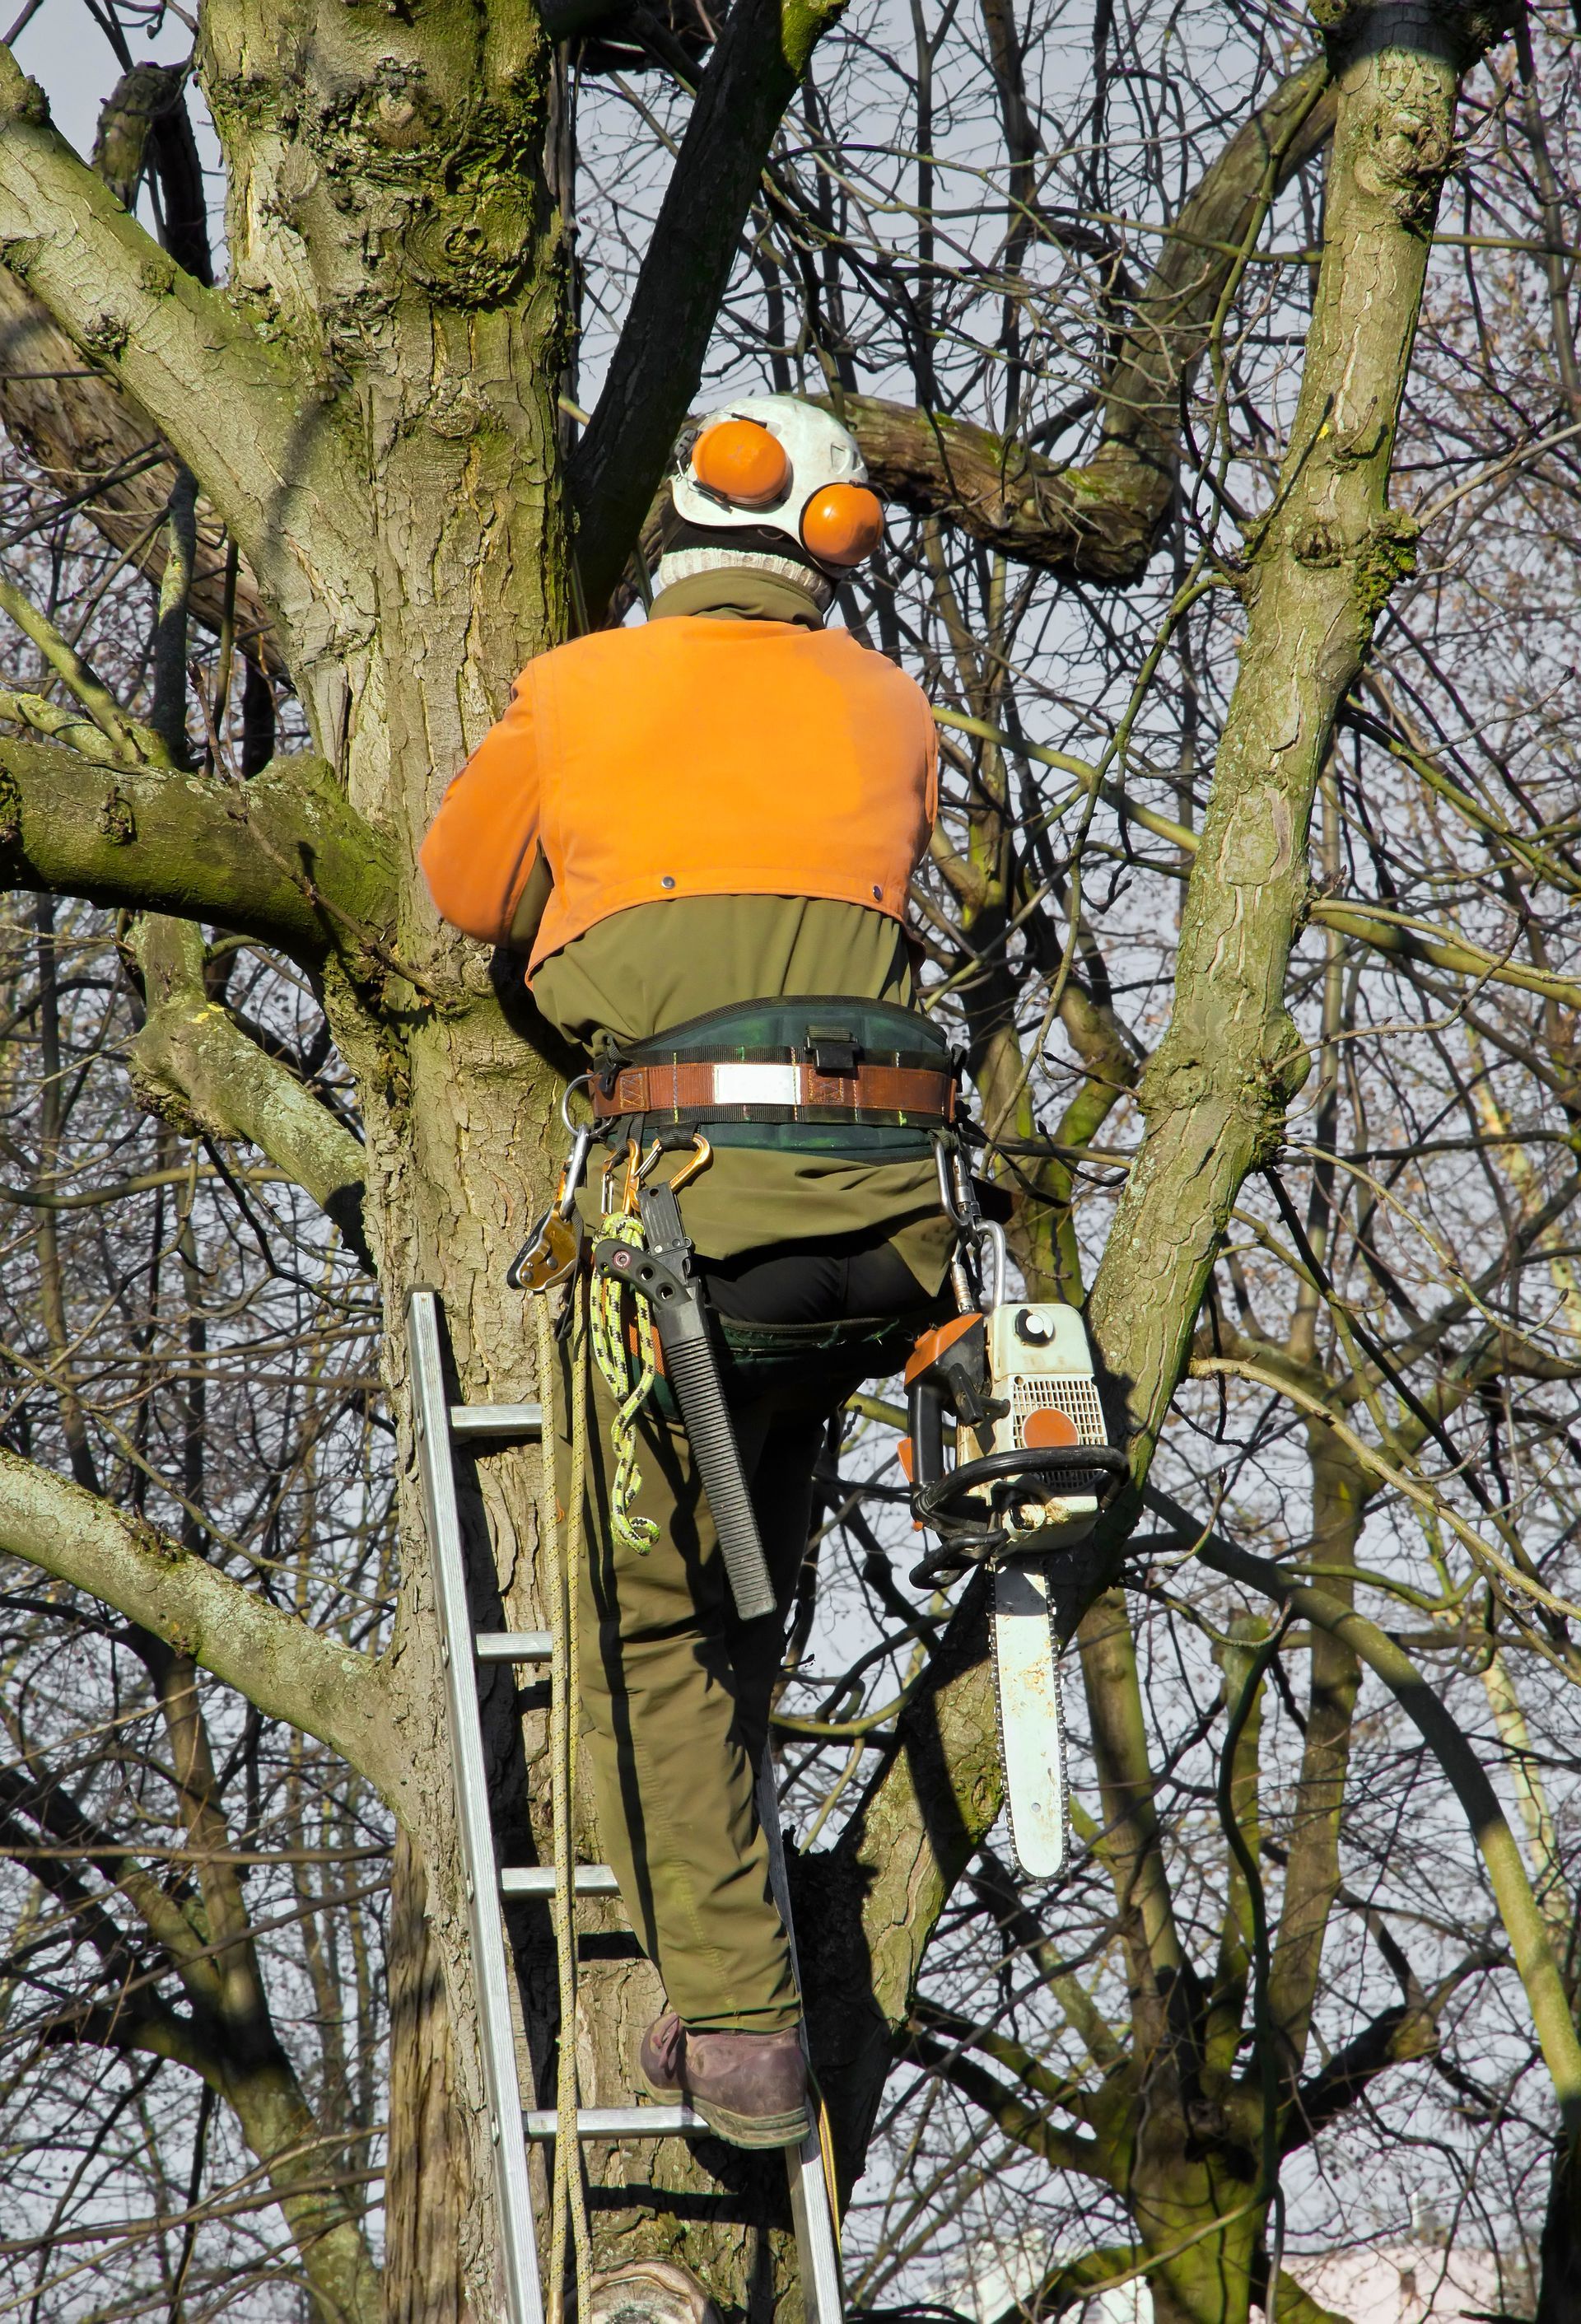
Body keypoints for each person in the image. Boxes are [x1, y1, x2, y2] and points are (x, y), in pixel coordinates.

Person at [421, 394, 957, 2149]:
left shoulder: (578, 692)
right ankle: (757, 1886)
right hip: (888, 1231)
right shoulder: (892, 705)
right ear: (833, 542)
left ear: (677, 524)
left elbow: (458, 883)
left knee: (648, 1621)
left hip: (689, 1231)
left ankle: (736, 2038)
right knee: (740, 1577)